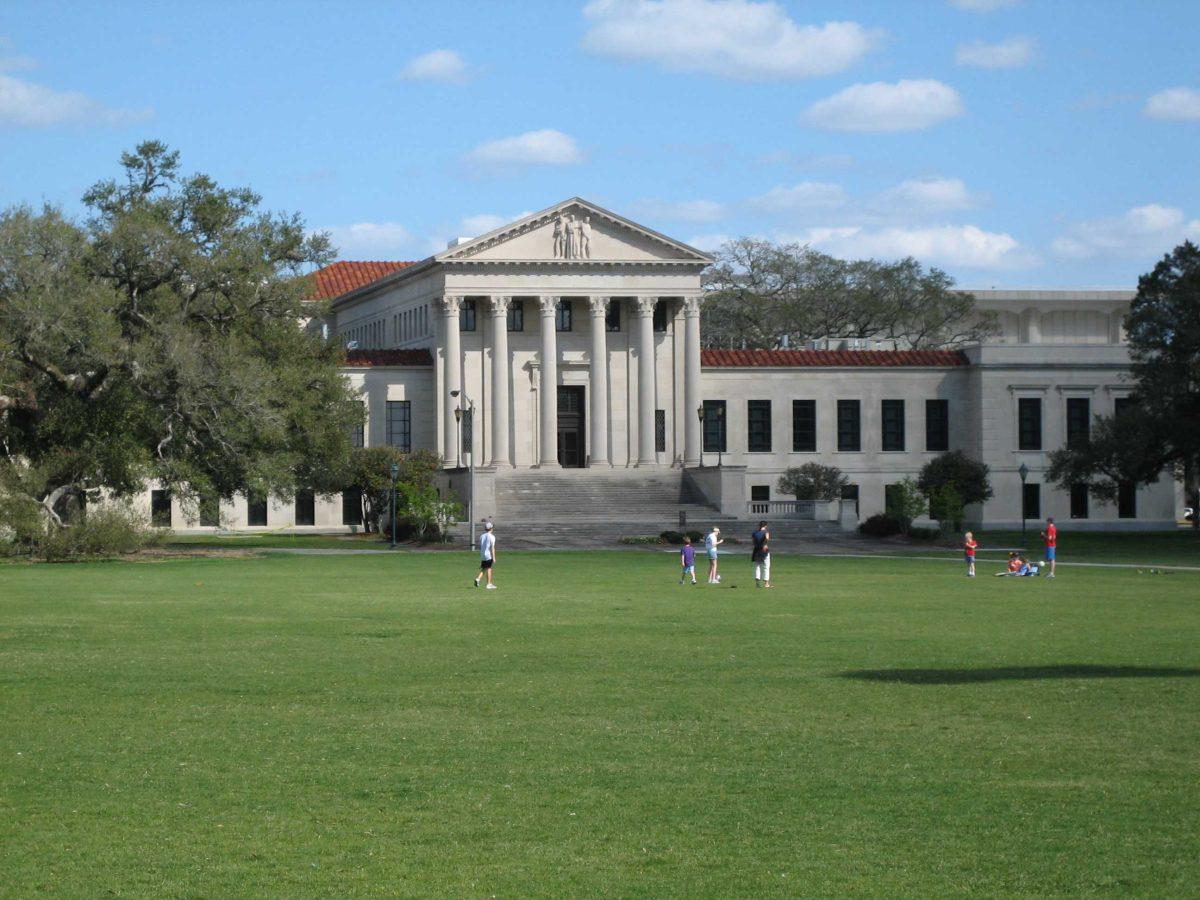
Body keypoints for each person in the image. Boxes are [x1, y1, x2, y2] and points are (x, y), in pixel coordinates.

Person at [474, 521, 497, 589]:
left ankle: (478, 579)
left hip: (482, 554)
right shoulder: (492, 536)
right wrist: (494, 557)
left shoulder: (482, 536)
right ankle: (489, 584)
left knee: (484, 568)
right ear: (491, 528)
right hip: (488, 555)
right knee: (489, 568)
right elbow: (492, 548)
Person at [751, 521, 772, 588]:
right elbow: (767, 539)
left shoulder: (754, 533)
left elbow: (753, 542)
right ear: (765, 526)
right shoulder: (766, 532)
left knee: (757, 566)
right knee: (766, 566)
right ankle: (766, 583)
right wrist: (764, 544)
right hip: (764, 550)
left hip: (756, 550)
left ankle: (757, 583)